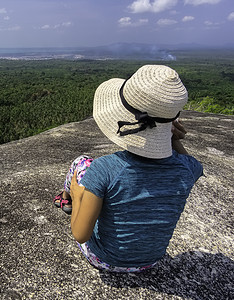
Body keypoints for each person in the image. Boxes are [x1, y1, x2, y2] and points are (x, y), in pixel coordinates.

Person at [54, 65, 203, 272]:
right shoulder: (186, 169)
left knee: (81, 162)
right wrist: (171, 138)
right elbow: (194, 168)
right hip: (150, 262)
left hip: (104, 259)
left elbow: (80, 235)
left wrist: (79, 193)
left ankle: (67, 199)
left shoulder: (104, 168)